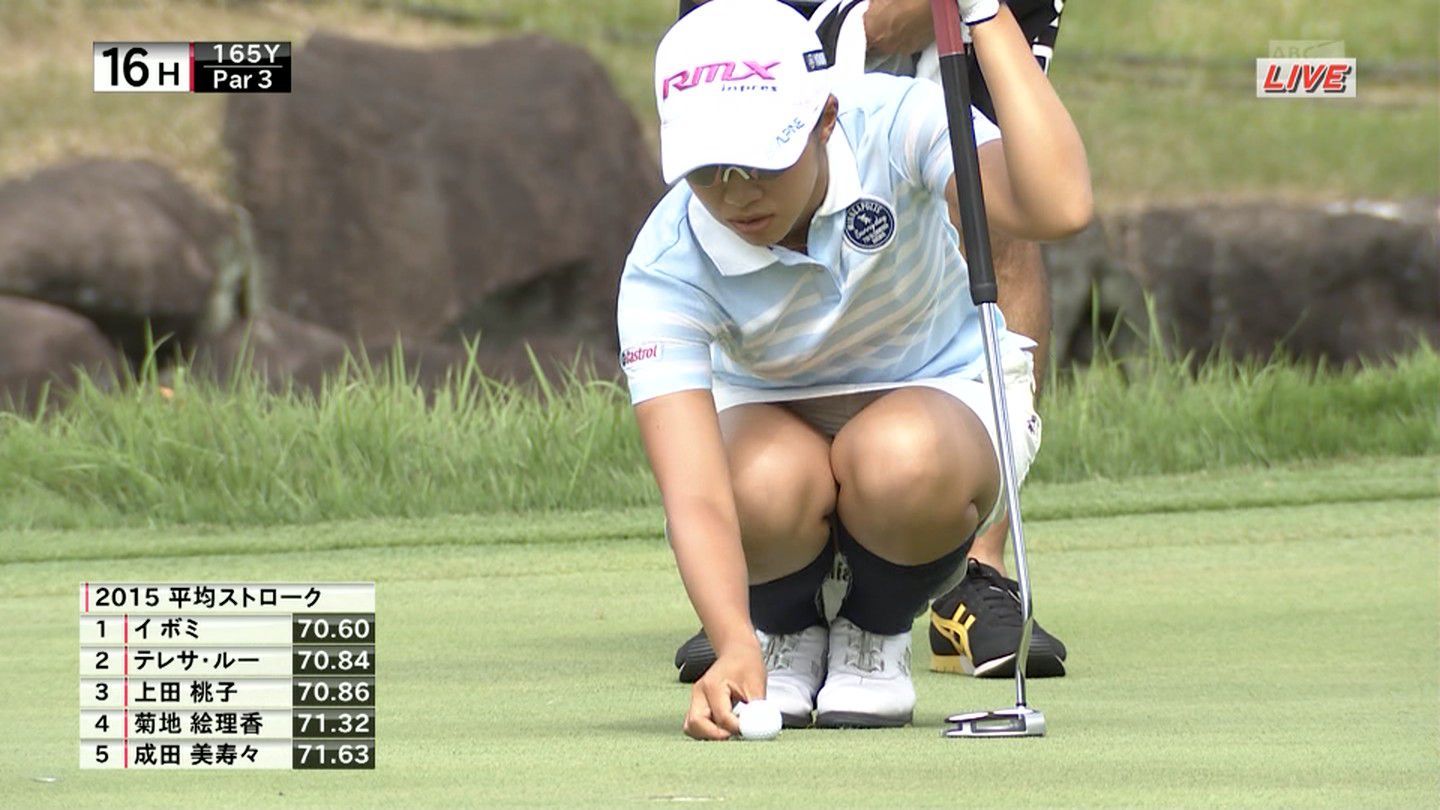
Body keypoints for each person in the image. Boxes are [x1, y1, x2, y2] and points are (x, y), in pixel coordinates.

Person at [620, 0, 1090, 738]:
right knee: (756, 485)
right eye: (709, 170)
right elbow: (697, 496)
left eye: (761, 161)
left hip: (942, 395)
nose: (737, 194)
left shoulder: (897, 120)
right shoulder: (663, 262)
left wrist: (986, 14)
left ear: (826, 117)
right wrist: (734, 638)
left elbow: (1058, 205)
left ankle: (875, 629)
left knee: (902, 459)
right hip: (772, 417)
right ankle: (786, 631)